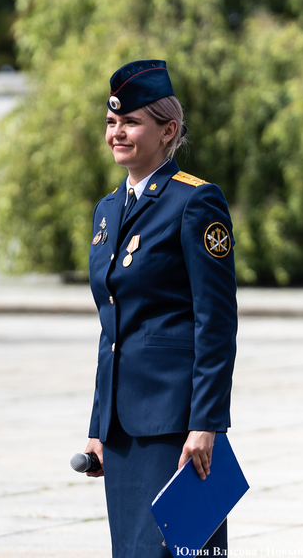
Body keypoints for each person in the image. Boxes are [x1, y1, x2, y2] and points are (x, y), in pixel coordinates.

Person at [82, 60, 237, 557]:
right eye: (111, 122)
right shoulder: (108, 211)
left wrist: (206, 423)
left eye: (130, 122)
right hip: (123, 429)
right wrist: (97, 427)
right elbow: (114, 331)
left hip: (175, 424)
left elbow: (215, 321)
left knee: (178, 550)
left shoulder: (194, 203)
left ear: (168, 130)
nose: (117, 133)